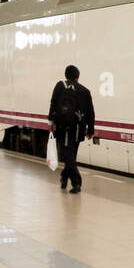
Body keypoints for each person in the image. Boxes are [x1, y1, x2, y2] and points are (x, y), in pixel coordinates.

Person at [49, 64, 95, 194]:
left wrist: (50, 122)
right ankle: (64, 178)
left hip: (63, 127)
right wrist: (90, 130)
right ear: (78, 76)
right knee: (71, 155)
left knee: (67, 155)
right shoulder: (85, 91)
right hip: (78, 128)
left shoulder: (60, 86)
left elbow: (53, 103)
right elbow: (90, 112)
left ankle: (76, 183)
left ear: (66, 75)